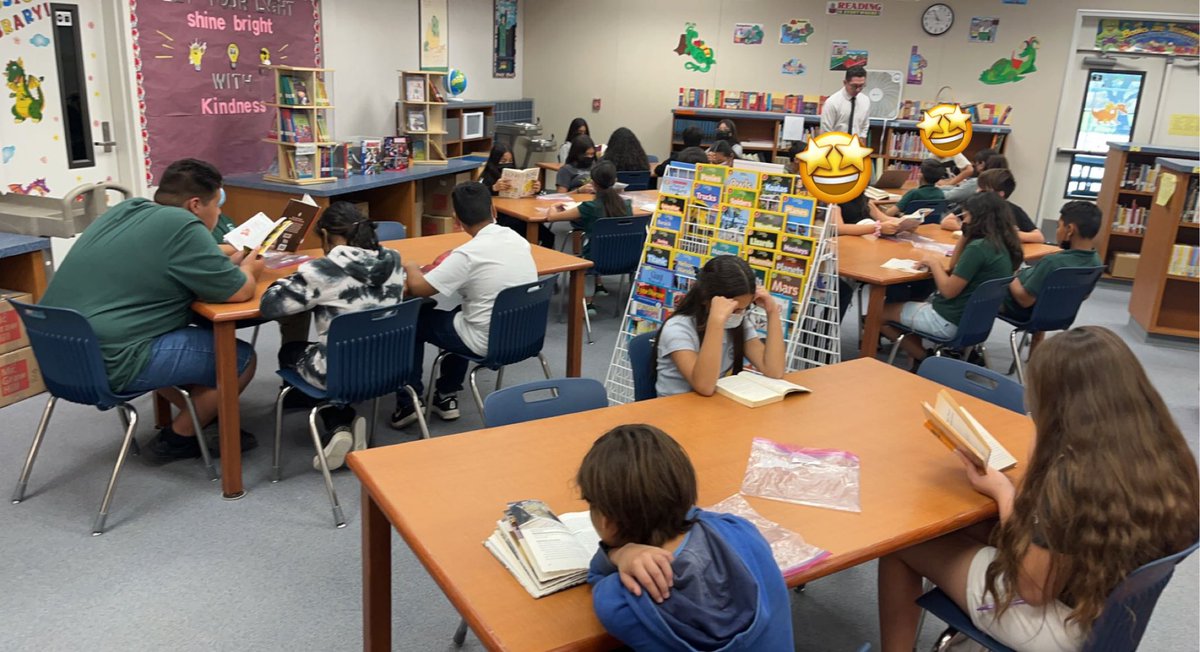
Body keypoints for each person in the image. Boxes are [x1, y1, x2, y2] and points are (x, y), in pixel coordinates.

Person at [877, 326, 1200, 652]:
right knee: (974, 527)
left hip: (1063, 626)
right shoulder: (1165, 452)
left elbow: (1033, 589)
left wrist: (1005, 492)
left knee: (903, 544)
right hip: (1106, 608)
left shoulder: (1071, 476)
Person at [39, 158, 262, 460]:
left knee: (189, 339)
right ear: (196, 204)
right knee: (239, 359)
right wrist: (250, 267)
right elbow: (238, 291)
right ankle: (180, 437)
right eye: (216, 206)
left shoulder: (125, 210)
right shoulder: (183, 225)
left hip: (60, 353)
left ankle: (203, 414)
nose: (219, 212)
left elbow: (180, 260)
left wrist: (227, 259)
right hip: (114, 360)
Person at [579, 424, 794, 651]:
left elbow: (596, 574)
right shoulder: (741, 530)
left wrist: (620, 553)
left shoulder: (617, 600)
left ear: (606, 521)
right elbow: (698, 516)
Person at [259, 202, 406, 471]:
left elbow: (271, 305)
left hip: (340, 372)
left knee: (292, 351)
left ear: (326, 235)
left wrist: (292, 278)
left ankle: (337, 424)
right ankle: (341, 423)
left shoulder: (324, 270)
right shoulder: (394, 260)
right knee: (335, 352)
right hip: (391, 366)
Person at [391, 181, 537, 427]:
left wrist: (411, 266)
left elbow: (419, 288)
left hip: (486, 340)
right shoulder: (516, 239)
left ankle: (409, 402)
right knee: (459, 314)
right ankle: (446, 395)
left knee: (414, 321)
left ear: (456, 219)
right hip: (524, 334)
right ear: (494, 211)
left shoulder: (467, 255)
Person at [880, 192, 1023, 368]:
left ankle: (926, 359)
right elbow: (955, 264)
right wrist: (966, 233)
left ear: (979, 217)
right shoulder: (1005, 245)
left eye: (965, 216)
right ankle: (925, 358)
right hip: (975, 323)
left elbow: (948, 291)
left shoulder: (978, 249)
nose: (963, 220)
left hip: (948, 320)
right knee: (910, 303)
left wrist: (933, 263)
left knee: (878, 313)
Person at [655, 256, 785, 397]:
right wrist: (716, 322)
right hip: (677, 409)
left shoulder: (739, 322)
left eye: (744, 308)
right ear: (706, 299)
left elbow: (774, 371)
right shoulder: (677, 328)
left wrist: (772, 312)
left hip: (716, 406)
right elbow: (705, 386)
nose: (739, 314)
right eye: (734, 310)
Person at [547, 160, 631, 311]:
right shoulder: (627, 205)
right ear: (615, 181)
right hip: (625, 259)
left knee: (585, 254)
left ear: (593, 183)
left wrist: (553, 206)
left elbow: (551, 218)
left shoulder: (589, 207)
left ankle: (588, 301)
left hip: (596, 260)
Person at [1003, 200, 1102, 321]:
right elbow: (1084, 295)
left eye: (1059, 226)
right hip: (1057, 314)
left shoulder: (1053, 262)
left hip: (1023, 310)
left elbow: (1025, 300)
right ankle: (1038, 336)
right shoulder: (1096, 262)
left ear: (1070, 230)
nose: (1057, 230)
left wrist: (1011, 271)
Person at [942, 169, 1045, 244]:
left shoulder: (1014, 210)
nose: (977, 191)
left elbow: (1039, 237)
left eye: (983, 189)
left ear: (1000, 194)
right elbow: (946, 222)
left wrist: (1008, 234)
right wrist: (973, 229)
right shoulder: (974, 205)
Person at [480, 143, 551, 248]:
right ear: (495, 160)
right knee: (522, 234)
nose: (507, 164)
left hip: (522, 212)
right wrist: (494, 188)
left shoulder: (517, 173)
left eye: (510, 161)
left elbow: (527, 195)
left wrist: (535, 189)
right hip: (503, 217)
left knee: (549, 236)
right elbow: (480, 195)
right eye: (503, 161)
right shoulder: (487, 177)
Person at [878, 159, 946, 217]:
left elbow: (889, 214)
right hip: (930, 226)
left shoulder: (914, 193)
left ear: (920, 175)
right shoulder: (940, 193)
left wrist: (880, 209)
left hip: (909, 226)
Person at [820, 65, 870, 139]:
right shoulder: (832, 102)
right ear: (845, 82)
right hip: (836, 146)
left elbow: (864, 126)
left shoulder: (865, 100)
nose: (858, 90)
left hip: (856, 146)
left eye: (861, 86)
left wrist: (862, 141)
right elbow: (826, 131)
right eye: (854, 86)